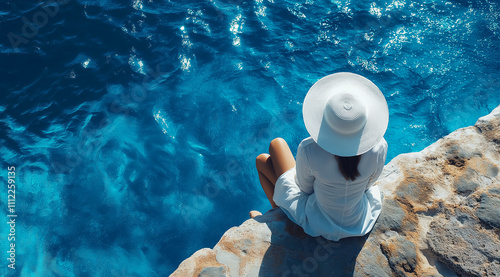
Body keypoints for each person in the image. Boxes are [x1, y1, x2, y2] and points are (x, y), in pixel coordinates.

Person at [250, 72, 389, 241]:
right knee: (265, 160)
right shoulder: (379, 147)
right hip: (357, 219)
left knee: (270, 151)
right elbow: (369, 185)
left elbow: (304, 188)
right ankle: (277, 213)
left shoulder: (310, 149)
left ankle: (279, 214)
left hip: (318, 219)